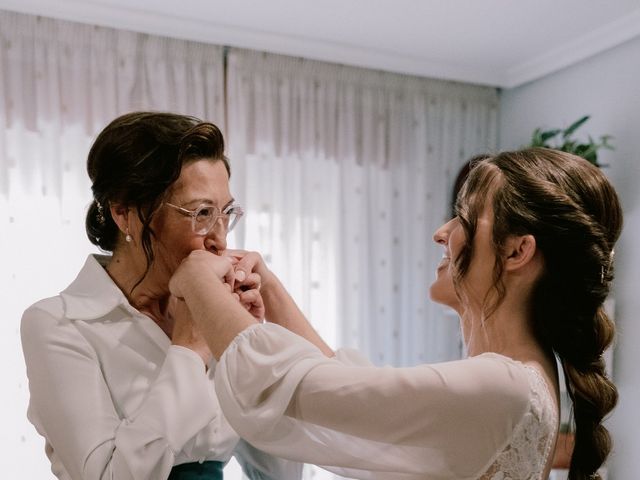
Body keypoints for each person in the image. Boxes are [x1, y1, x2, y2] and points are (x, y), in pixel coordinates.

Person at [169, 148, 621, 480]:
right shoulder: (521, 384)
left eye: (463, 216)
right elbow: (348, 394)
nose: (440, 232)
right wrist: (267, 284)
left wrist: (198, 282)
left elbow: (305, 390)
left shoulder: (504, 387)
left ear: (518, 250)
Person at [20, 112, 303, 480]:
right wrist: (190, 349)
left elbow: (281, 473)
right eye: (201, 213)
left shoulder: (218, 311)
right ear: (125, 213)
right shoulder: (59, 325)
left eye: (226, 213)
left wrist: (251, 349)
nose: (220, 239)